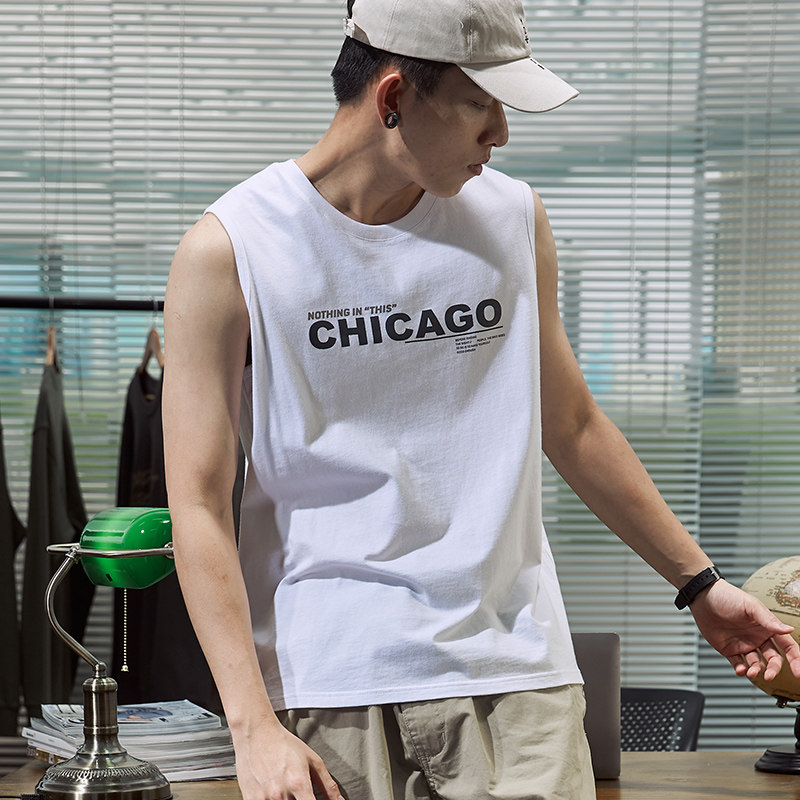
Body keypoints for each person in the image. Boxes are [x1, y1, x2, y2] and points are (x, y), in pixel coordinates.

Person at [161, 1, 800, 798]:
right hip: (329, 681)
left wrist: (701, 585)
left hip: (517, 677)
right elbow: (197, 502)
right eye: (480, 104)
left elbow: (572, 425)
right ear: (394, 97)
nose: (500, 133)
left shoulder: (511, 218)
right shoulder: (231, 249)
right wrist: (251, 723)